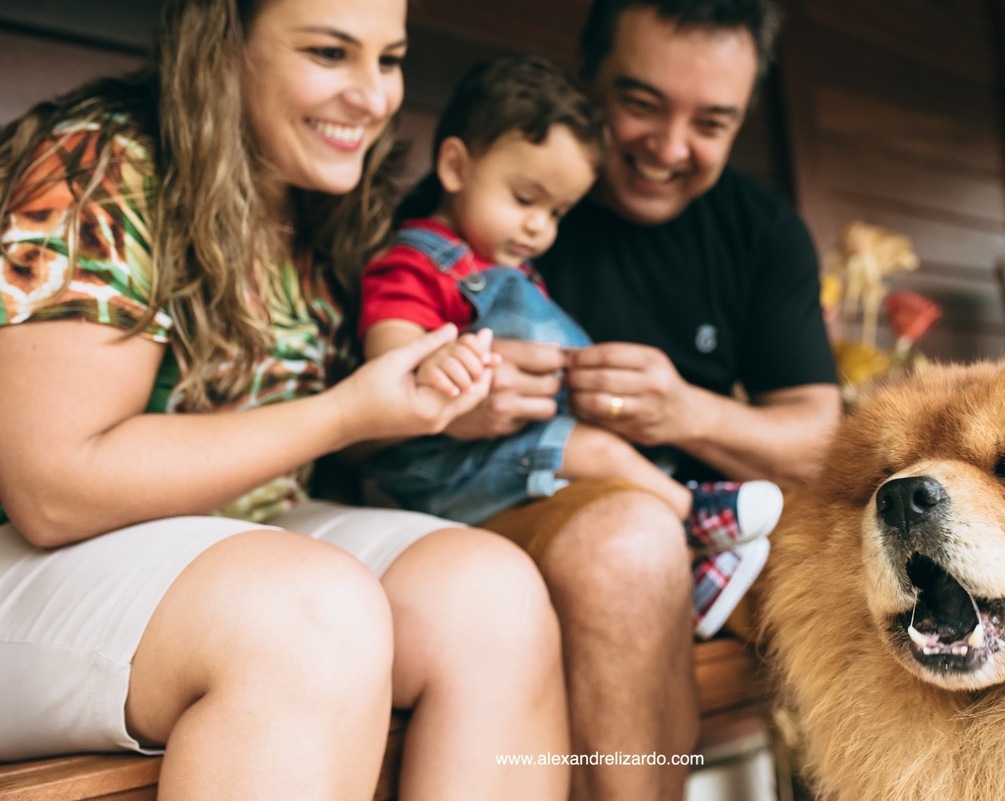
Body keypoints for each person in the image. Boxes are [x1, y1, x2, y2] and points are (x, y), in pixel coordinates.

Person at [0, 0, 571, 798]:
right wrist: (346, 412)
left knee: (492, 596)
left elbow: (307, 432)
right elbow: (52, 489)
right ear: (223, 46)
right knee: (311, 615)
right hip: (38, 558)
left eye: (389, 58)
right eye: (331, 53)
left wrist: (430, 400)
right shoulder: (98, 164)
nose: (373, 98)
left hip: (243, 526)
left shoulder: (316, 191)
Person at [441, 1, 843, 799]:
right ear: (586, 73)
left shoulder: (760, 230)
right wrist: (461, 396)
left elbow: (818, 440)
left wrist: (684, 411)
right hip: (525, 510)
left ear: (745, 117)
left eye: (711, 123)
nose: (668, 148)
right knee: (631, 545)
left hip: (718, 541)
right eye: (641, 103)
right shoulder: (496, 189)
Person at [359, 54, 784, 640]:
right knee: (601, 458)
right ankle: (695, 517)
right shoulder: (414, 264)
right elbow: (390, 365)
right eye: (525, 199)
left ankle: (694, 574)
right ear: (456, 166)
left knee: (606, 470)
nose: (539, 228)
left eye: (556, 212)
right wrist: (442, 364)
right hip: (437, 470)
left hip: (502, 455)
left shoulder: (506, 263)